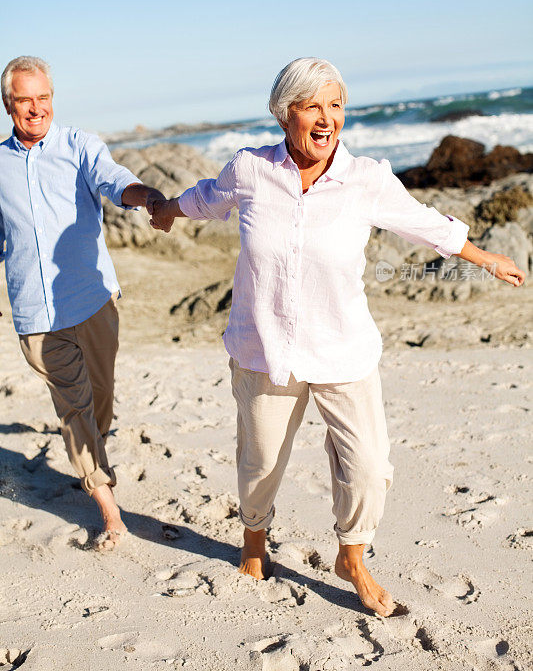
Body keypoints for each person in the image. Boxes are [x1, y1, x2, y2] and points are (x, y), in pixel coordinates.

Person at [149, 57, 525, 616]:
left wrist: (484, 257)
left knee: (369, 467)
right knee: (259, 466)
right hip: (265, 348)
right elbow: (206, 197)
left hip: (344, 348)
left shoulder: (366, 178)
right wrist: (167, 210)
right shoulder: (251, 170)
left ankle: (352, 556)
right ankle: (255, 543)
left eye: (336, 105)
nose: (326, 119)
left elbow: (423, 221)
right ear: (285, 115)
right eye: (312, 106)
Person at [0, 56, 168, 550]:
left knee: (100, 401)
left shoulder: (79, 146)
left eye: (44, 98)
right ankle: (109, 510)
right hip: (37, 315)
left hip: (93, 302)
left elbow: (116, 182)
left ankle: (92, 455)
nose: (36, 109)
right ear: (8, 105)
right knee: (74, 408)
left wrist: (147, 197)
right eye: (24, 100)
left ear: (53, 97)